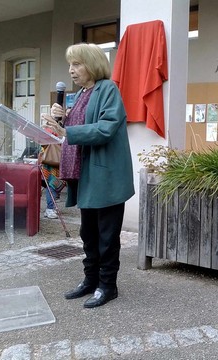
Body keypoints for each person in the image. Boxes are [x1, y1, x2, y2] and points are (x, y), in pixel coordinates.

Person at [41, 43, 135, 308]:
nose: (71, 70)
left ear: (92, 64)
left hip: (106, 177)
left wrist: (67, 131)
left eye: (77, 64)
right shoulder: (82, 93)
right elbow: (78, 128)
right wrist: (62, 120)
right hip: (87, 176)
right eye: (70, 65)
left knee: (107, 236)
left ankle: (108, 286)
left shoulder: (108, 89)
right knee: (88, 233)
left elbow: (105, 128)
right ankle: (90, 280)